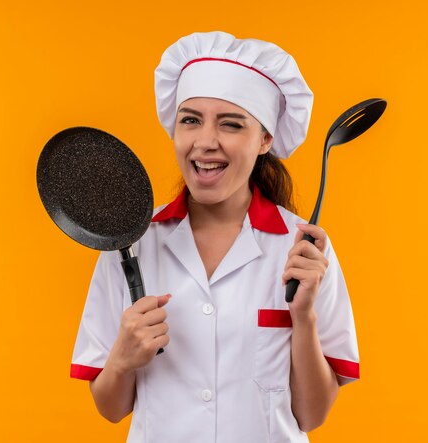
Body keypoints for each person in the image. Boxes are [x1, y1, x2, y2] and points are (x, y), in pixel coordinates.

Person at [70, 31, 359, 443]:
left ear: (265, 140)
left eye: (231, 124)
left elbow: (311, 416)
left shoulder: (302, 251)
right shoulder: (129, 241)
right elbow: (111, 408)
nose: (205, 142)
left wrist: (303, 316)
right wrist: (121, 360)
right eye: (190, 120)